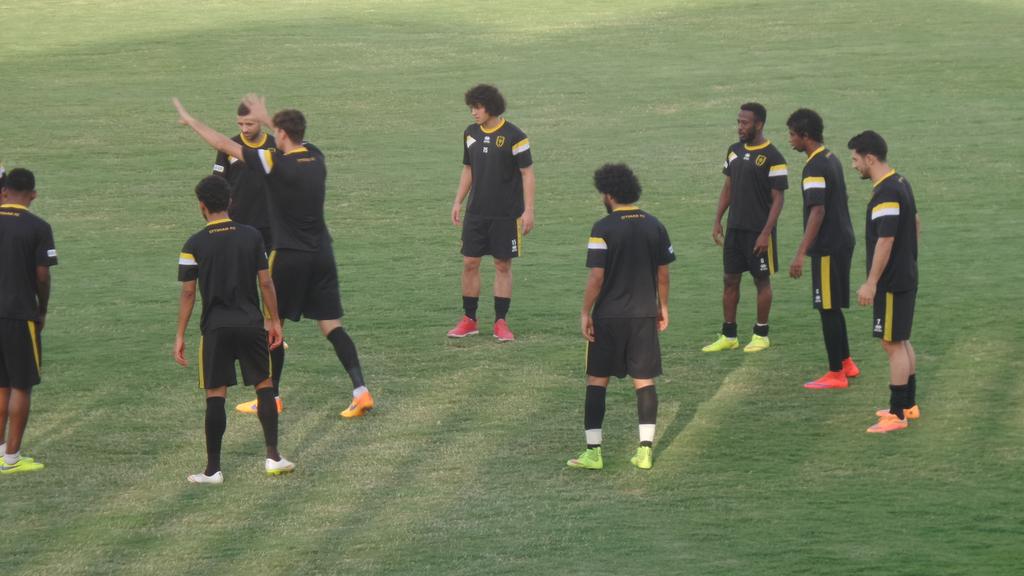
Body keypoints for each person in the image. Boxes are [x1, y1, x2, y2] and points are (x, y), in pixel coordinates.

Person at [173, 95, 375, 419]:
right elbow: (293, 138)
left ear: (280, 134)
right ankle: (360, 390)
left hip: (290, 255)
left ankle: (273, 397)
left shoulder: (274, 163)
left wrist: (192, 121)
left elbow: (225, 144)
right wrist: (271, 120)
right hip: (323, 253)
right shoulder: (316, 156)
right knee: (331, 325)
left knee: (272, 324)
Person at [175, 176, 293, 483]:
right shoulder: (252, 236)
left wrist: (180, 335)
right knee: (264, 386)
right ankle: (273, 457)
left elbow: (188, 293)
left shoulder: (193, 244)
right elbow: (265, 282)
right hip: (251, 324)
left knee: (216, 395)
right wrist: (274, 320)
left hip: (215, 329)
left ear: (201, 206)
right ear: (230, 202)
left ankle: (212, 470)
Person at [568, 164, 674, 471]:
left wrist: (585, 312)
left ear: (609, 194)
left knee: (596, 380)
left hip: (609, 317)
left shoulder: (603, 228)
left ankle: (593, 453)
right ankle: (645, 451)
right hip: (644, 315)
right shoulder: (655, 225)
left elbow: (596, 277)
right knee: (644, 380)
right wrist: (663, 306)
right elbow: (663, 273)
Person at [448, 84, 535, 342]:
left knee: (502, 265)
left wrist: (529, 210)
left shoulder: (515, 136)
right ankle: (469, 319)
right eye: (471, 108)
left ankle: (500, 322)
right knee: (469, 263)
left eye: (477, 108)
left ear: (491, 107)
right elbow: (468, 169)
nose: (473, 113)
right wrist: (458, 201)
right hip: (476, 212)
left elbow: (527, 174)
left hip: (506, 214)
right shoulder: (470, 133)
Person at [848, 131, 921, 433]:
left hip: (891, 281)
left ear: (870, 158)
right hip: (905, 274)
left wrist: (871, 282)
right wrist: (909, 257)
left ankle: (896, 414)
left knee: (891, 344)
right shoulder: (900, 181)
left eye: (855, 159)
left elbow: (885, 240)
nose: (853, 165)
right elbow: (915, 222)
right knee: (900, 340)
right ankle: (908, 405)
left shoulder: (886, 193)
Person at [704, 103, 787, 353]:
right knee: (730, 279)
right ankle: (729, 335)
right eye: (738, 122)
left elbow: (778, 199)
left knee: (761, 280)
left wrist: (766, 233)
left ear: (759, 124)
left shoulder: (773, 157)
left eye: (745, 123)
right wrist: (718, 219)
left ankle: (761, 334)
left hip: (759, 232)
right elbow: (728, 187)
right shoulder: (734, 151)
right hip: (735, 229)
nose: (740, 127)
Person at [786, 109, 860, 389]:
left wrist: (800, 253)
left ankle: (836, 374)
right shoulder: (831, 158)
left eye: (792, 134)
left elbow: (817, 210)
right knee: (833, 306)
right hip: (843, 239)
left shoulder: (814, 167)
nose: (790, 139)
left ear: (805, 135)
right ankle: (847, 363)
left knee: (827, 307)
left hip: (828, 246)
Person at [0, 168, 57, 474]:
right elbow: (42, 275)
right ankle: (12, 458)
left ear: (4, 191)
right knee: (20, 385)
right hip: (19, 315)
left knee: (1, 385)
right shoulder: (38, 227)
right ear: (33, 194)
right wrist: (42, 309)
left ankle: (0, 452)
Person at [213, 100, 277, 251]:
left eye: (249, 124)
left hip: (271, 222)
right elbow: (218, 185)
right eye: (240, 124)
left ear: (261, 121)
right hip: (238, 222)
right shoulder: (229, 146)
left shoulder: (276, 145)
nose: (244, 129)